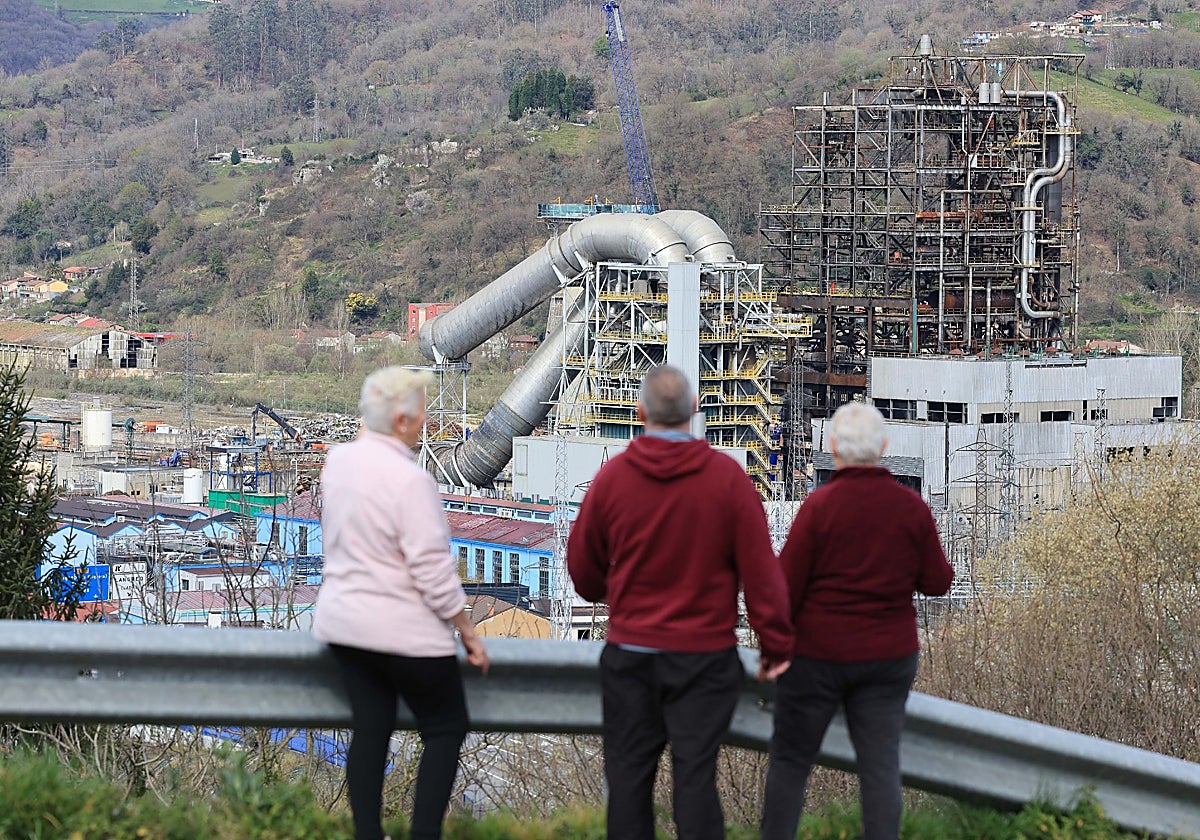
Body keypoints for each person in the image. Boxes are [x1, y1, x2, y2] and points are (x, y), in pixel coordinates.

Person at [567, 364, 793, 840]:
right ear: (694, 408)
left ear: (639, 412)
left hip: (632, 659)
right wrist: (775, 646)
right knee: (695, 781)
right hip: (704, 661)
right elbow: (762, 575)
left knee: (629, 785)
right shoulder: (728, 480)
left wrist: (619, 597)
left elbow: (583, 574)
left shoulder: (612, 480)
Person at [760, 401, 954, 840]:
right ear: (883, 448)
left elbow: (784, 585)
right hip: (887, 656)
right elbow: (938, 582)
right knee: (880, 766)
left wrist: (774, 648)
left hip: (817, 656)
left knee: (791, 760)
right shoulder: (910, 509)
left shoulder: (819, 508)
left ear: (832, 448)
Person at [312, 366, 489, 840]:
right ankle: (424, 834)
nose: (427, 420)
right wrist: (466, 630)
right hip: (403, 632)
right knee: (446, 725)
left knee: (371, 726)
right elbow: (431, 570)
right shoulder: (412, 482)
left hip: (345, 627)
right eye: (422, 412)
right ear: (403, 421)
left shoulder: (338, 463)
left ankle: (368, 834)